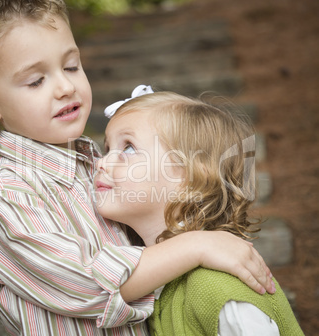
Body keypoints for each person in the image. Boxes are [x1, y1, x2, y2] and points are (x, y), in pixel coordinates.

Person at [0, 1, 275, 334]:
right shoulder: (9, 192)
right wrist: (197, 246)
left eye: (71, 66)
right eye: (35, 81)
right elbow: (81, 282)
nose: (65, 87)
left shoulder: (95, 164)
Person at [94, 86, 304, 335]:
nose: (102, 162)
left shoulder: (216, 287)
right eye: (107, 149)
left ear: (191, 177)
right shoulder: (157, 280)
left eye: (128, 148)